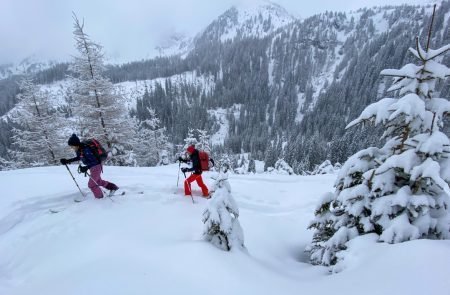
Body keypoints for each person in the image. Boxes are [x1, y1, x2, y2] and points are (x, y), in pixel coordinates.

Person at [60, 134, 118, 199]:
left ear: (76, 144)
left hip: (96, 166)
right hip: (93, 167)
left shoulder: (86, 149)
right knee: (97, 181)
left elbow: (94, 161)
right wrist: (68, 161)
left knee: (92, 184)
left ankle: (100, 198)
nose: (72, 148)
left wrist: (86, 167)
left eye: (72, 146)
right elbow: (80, 157)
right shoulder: (79, 149)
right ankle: (113, 187)